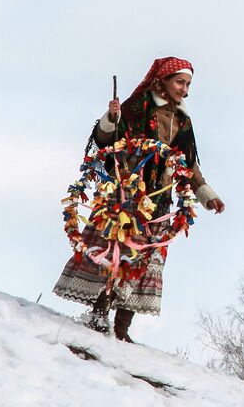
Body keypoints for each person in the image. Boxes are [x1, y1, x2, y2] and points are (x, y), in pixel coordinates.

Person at [52, 56, 226, 342]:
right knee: (120, 250)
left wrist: (207, 195)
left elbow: (188, 163)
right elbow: (108, 140)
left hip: (160, 198)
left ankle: (122, 327)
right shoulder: (137, 106)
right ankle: (99, 312)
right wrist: (111, 118)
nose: (185, 90)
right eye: (180, 82)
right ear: (164, 80)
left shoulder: (182, 120)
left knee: (147, 256)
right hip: (129, 194)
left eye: (188, 84)